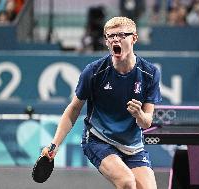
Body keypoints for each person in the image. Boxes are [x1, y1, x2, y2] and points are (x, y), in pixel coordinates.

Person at [42, 16, 162, 189]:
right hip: (99, 140)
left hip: (133, 145)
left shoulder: (150, 73)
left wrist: (139, 114)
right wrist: (55, 143)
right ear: (106, 42)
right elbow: (73, 109)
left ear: (134, 38)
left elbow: (146, 122)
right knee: (127, 182)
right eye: (110, 36)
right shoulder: (94, 72)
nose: (115, 39)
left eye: (121, 35)